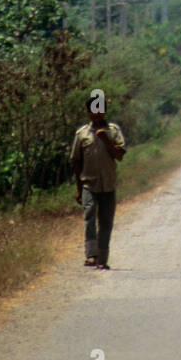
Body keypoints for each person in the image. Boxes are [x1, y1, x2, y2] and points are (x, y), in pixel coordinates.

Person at [70, 91, 127, 270]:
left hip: (108, 185)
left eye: (100, 109)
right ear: (88, 112)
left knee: (106, 222)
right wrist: (79, 189)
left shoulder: (114, 131)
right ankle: (91, 255)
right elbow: (76, 162)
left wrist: (106, 140)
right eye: (93, 110)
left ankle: (103, 258)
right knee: (89, 217)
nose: (97, 113)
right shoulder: (82, 134)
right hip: (89, 184)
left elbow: (119, 156)